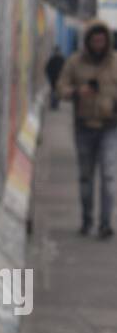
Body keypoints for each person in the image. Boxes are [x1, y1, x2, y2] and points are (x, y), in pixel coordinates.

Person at [56, 18, 117, 238]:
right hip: (84, 127)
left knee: (109, 176)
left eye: (102, 40)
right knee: (86, 176)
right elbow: (60, 87)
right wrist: (76, 92)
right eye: (95, 40)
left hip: (110, 126)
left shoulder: (115, 62)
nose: (99, 44)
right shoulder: (75, 62)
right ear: (88, 41)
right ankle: (87, 220)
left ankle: (105, 224)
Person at [45, 45, 65, 109]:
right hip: (54, 79)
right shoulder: (54, 59)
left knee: (56, 91)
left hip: (58, 79)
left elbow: (66, 70)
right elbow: (47, 69)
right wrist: (50, 76)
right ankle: (53, 104)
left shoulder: (61, 59)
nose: (57, 52)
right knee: (54, 91)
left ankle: (55, 104)